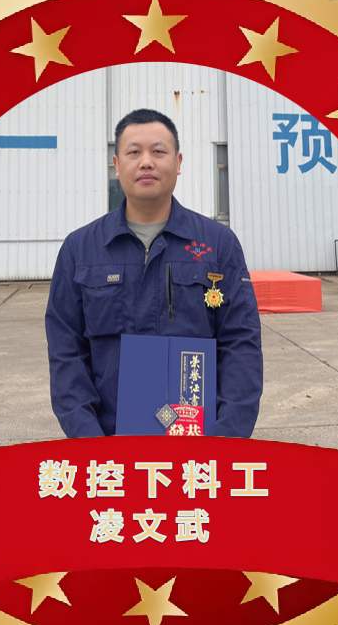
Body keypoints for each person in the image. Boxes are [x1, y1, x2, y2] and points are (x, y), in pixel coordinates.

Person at [45, 108, 263, 438]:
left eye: (158, 151)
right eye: (134, 152)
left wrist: (224, 441)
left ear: (178, 162)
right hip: (108, 443)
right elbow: (66, 353)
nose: (146, 162)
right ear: (116, 165)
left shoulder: (218, 245)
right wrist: (89, 441)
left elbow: (241, 345)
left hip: (199, 444)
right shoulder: (81, 249)